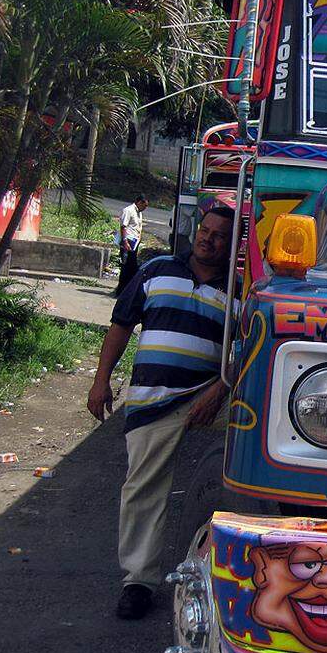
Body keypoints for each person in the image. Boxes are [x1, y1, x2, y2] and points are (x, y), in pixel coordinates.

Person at [87, 206, 237, 620]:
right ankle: (137, 581)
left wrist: (219, 389)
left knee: (245, 476)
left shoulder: (241, 291)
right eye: (205, 231)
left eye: (219, 235)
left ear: (232, 245)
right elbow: (120, 324)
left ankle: (232, 577)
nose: (208, 239)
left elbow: (246, 352)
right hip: (153, 398)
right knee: (143, 488)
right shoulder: (156, 270)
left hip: (209, 398)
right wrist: (101, 380)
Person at [114, 195, 149, 295]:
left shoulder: (139, 213)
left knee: (131, 267)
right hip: (128, 242)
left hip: (134, 242)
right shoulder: (128, 210)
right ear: (139, 202)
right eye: (144, 205)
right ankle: (120, 291)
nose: (145, 208)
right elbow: (123, 226)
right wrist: (125, 241)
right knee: (126, 266)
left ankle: (127, 289)